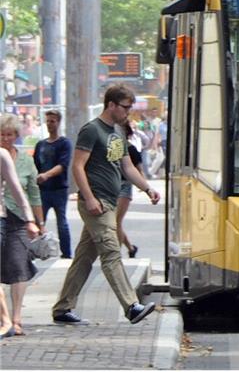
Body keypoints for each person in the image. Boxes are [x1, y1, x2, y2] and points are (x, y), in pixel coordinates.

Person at [51, 84, 161, 326]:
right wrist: (89, 198)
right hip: (96, 203)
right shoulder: (92, 130)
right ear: (111, 105)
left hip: (109, 203)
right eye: (125, 107)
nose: (128, 112)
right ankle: (131, 306)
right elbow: (77, 166)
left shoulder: (118, 132)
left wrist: (148, 188)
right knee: (111, 253)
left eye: (130, 108)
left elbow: (127, 167)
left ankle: (62, 308)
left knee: (83, 258)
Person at [1, 113, 43, 337]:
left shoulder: (25, 160)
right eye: (2, 135)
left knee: (18, 266)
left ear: (16, 135)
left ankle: (16, 319)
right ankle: (4, 318)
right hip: (1, 218)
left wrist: (37, 221)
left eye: (10, 135)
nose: (6, 139)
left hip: (18, 220)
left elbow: (32, 193)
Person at [34, 109, 73, 258]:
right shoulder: (41, 145)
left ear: (58, 122)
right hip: (42, 190)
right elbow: (35, 165)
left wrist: (46, 175)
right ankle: (35, 251)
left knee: (61, 222)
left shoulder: (64, 143)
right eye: (48, 121)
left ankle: (67, 253)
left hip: (59, 189)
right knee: (38, 221)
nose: (50, 124)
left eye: (53, 121)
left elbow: (63, 165)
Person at [115, 119, 147, 259]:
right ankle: (130, 248)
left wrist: (144, 187)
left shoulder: (131, 150)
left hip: (125, 187)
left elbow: (139, 170)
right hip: (112, 186)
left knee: (116, 222)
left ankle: (115, 252)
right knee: (114, 223)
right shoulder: (113, 149)